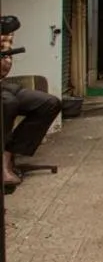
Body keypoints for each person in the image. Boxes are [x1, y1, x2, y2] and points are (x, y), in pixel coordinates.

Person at [1, 32, 61, 190]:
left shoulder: (5, 34)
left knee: (49, 103)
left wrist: (5, 58)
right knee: (8, 103)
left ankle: (9, 154)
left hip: (3, 85)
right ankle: (3, 165)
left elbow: (4, 70)